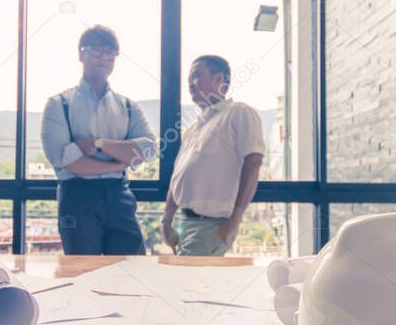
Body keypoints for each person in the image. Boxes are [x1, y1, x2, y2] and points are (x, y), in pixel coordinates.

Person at [41, 25, 156, 255]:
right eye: (95, 50)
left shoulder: (128, 106)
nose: (103, 57)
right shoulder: (59, 104)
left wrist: (98, 144)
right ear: (80, 54)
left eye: (109, 51)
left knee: (131, 270)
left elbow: (149, 150)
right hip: (77, 197)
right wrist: (118, 163)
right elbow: (67, 160)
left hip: (120, 196)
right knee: (83, 274)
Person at [162, 55, 264, 256]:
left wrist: (235, 219)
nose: (191, 84)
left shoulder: (238, 112)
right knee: (188, 285)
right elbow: (178, 177)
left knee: (189, 285)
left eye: (196, 76)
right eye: (189, 79)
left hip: (211, 226)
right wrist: (166, 221)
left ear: (219, 80)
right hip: (184, 222)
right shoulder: (194, 128)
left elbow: (253, 163)